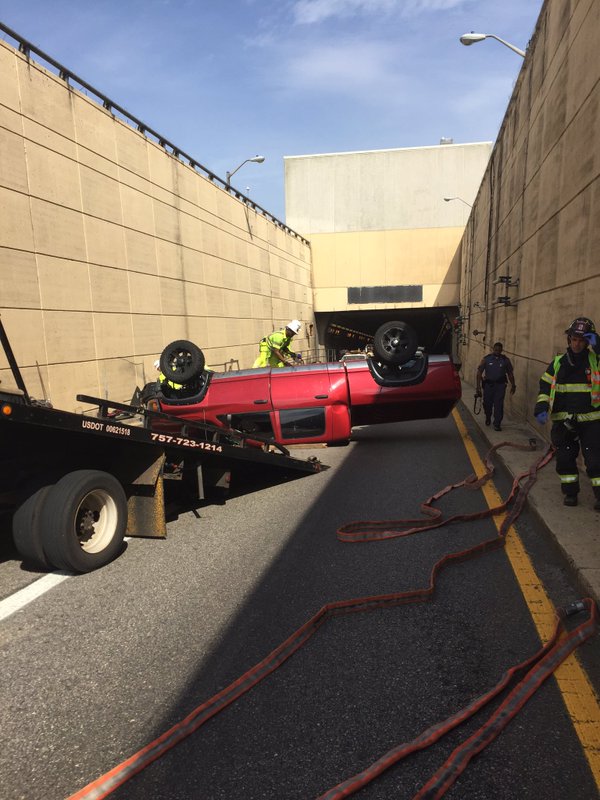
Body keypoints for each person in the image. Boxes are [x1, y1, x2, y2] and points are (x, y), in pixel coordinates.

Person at [534, 316, 600, 509]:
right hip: (563, 421)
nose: (577, 343)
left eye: (581, 340)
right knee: (564, 461)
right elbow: (545, 386)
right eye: (573, 339)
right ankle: (571, 493)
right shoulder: (557, 363)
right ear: (569, 340)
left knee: (595, 462)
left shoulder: (595, 360)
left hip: (592, 421)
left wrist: (598, 343)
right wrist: (541, 406)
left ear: (587, 342)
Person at [475, 342, 516, 431]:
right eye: (496, 349)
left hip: (500, 386)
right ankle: (488, 416)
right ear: (493, 349)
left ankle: (497, 423)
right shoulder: (486, 359)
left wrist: (513, 385)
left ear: (502, 350)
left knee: (498, 405)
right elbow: (479, 373)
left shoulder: (505, 360)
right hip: (488, 386)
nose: (497, 351)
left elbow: (510, 374)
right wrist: (478, 387)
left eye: (499, 350)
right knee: (487, 404)